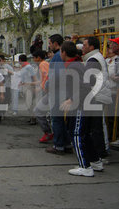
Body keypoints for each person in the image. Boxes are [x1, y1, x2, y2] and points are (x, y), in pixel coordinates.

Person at [59, 41, 102, 176]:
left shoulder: (74, 66)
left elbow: (85, 85)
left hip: (80, 105)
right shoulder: (77, 64)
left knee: (76, 134)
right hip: (84, 103)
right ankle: (95, 161)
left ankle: (85, 166)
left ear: (64, 52)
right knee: (84, 134)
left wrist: (71, 99)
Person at [82, 36, 112, 159]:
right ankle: (101, 152)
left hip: (95, 96)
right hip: (99, 94)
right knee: (98, 125)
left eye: (84, 45)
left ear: (91, 47)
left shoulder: (93, 59)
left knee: (95, 127)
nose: (82, 47)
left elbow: (88, 80)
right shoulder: (96, 57)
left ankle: (100, 154)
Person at [46, 34, 70, 155]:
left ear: (55, 44)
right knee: (61, 119)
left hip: (58, 91)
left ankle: (58, 145)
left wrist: (47, 86)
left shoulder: (57, 57)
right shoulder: (61, 56)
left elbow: (56, 76)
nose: (49, 46)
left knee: (57, 119)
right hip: (64, 90)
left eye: (50, 43)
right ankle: (66, 143)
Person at [32, 50, 52, 143]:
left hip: (49, 92)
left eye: (34, 58)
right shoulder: (45, 64)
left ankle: (48, 133)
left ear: (38, 58)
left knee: (38, 111)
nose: (33, 60)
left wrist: (43, 87)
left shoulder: (42, 64)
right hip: (48, 92)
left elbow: (47, 77)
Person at [106, 39, 119, 147]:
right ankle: (110, 135)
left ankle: (116, 135)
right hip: (108, 91)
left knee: (115, 115)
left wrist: (114, 77)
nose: (109, 48)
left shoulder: (117, 60)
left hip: (115, 91)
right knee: (109, 115)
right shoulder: (107, 61)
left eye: (112, 45)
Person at [18, 54, 38, 124]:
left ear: (20, 60)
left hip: (29, 87)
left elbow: (34, 77)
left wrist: (34, 86)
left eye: (19, 60)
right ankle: (31, 117)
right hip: (24, 86)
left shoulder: (28, 67)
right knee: (27, 103)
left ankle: (34, 118)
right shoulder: (23, 67)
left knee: (29, 103)